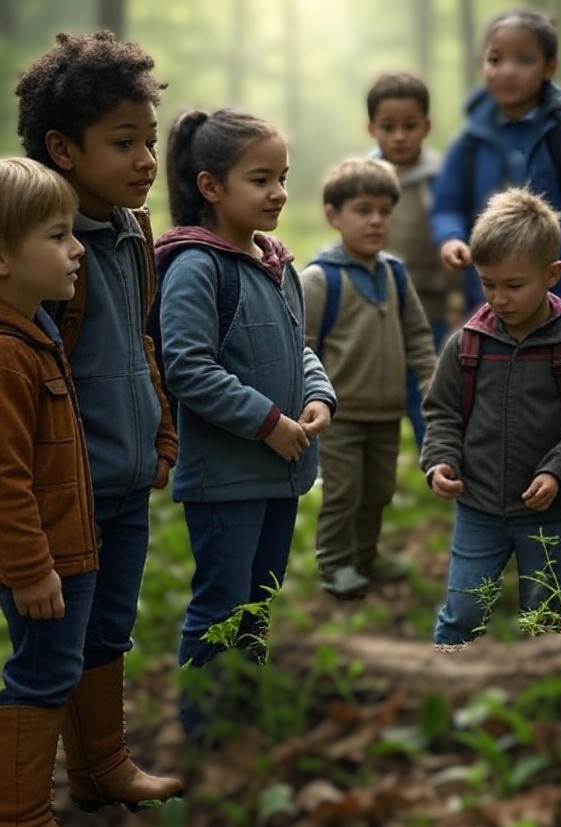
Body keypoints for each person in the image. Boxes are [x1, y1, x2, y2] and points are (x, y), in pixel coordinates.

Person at [15, 31, 183, 809]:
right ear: (63, 149)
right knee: (48, 654)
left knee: (108, 634)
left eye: (149, 140)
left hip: (123, 480)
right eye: (124, 143)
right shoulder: (41, 256)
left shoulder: (130, 229)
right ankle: (20, 807)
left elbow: (141, 340)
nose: (147, 160)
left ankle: (100, 767)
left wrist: (161, 431)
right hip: (63, 497)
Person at [154, 108, 336, 732]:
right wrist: (268, 422)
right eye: (261, 180)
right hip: (227, 479)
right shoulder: (194, 267)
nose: (279, 193)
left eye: (282, 177)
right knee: (221, 606)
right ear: (211, 187)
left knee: (260, 603)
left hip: (280, 474)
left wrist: (318, 397)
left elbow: (300, 346)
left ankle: (244, 716)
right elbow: (186, 367)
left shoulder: (278, 262)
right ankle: (201, 733)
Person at [421, 188, 561, 648]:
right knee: (464, 609)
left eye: (513, 286)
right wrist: (440, 461)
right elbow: (443, 411)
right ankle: (449, 677)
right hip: (479, 508)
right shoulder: (468, 341)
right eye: (488, 284)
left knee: (544, 613)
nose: (499, 298)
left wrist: (557, 470)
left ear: (552, 274)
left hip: (549, 512)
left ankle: (541, 700)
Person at [0, 157, 93, 827]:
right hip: (45, 563)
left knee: (53, 672)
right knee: (41, 676)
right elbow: (5, 476)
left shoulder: (39, 332)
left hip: (65, 550)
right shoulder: (7, 352)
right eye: (58, 236)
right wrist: (32, 568)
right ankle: (22, 812)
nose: (76, 248)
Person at [301, 158, 437, 599]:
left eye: (384, 211)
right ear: (334, 214)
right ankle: (335, 564)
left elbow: (417, 335)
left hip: (386, 412)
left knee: (379, 490)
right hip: (339, 415)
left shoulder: (395, 273)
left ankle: (365, 556)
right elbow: (300, 345)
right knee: (344, 493)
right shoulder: (320, 279)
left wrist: (430, 388)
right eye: (363, 210)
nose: (376, 221)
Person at [430, 9, 561, 311]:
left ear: (550, 67)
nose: (507, 71)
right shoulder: (469, 141)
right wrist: (451, 238)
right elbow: (447, 205)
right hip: (486, 299)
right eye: (496, 59)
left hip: (556, 300)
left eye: (523, 60)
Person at [367, 71, 456, 452]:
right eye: (389, 127)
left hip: (431, 309)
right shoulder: (364, 178)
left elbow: (454, 244)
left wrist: (456, 303)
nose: (399, 136)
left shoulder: (442, 178)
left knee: (430, 391)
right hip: (376, 312)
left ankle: (438, 463)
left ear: (426, 126)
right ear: (372, 128)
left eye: (409, 126)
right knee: (378, 394)